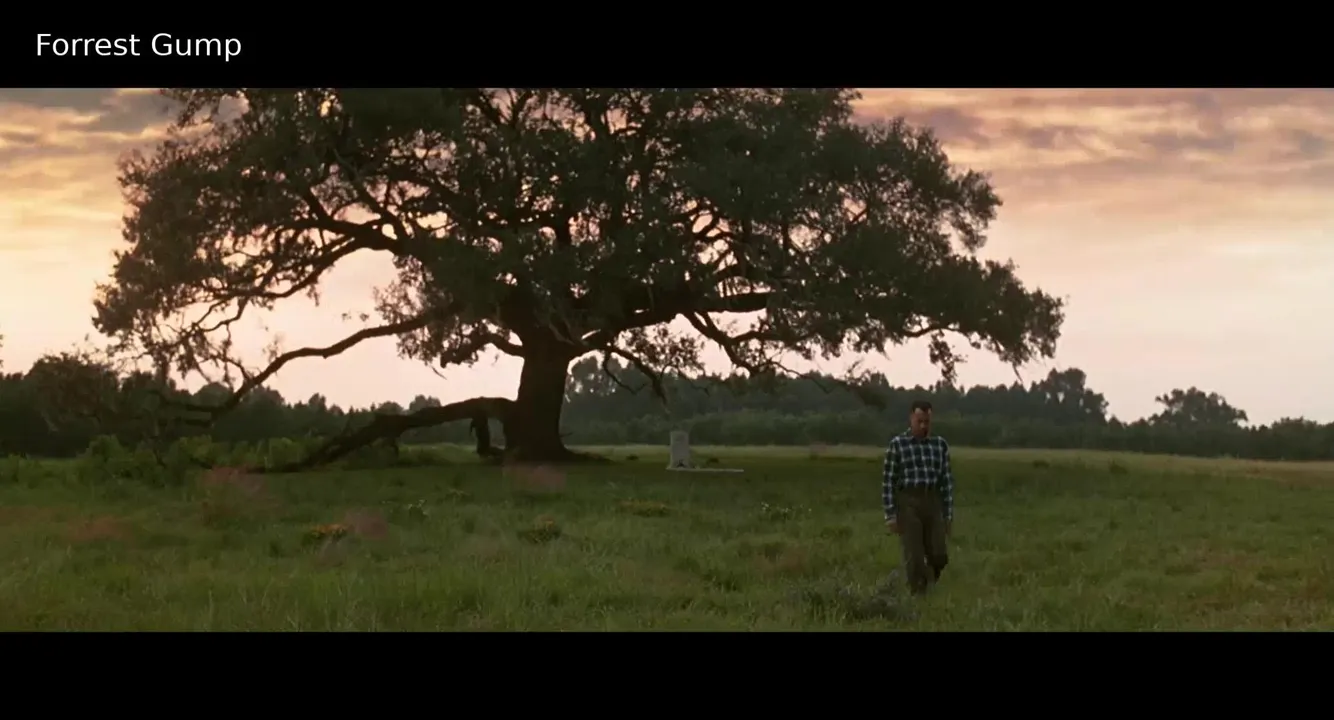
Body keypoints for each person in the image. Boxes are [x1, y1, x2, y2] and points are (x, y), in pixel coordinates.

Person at [882, 400, 954, 595]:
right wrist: (890, 515)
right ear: (911, 418)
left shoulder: (940, 445)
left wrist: (948, 515)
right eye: (919, 421)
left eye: (927, 422)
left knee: (939, 555)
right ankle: (918, 594)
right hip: (908, 502)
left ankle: (929, 578)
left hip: (932, 500)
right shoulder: (898, 445)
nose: (923, 426)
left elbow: (946, 482)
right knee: (914, 555)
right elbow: (888, 482)